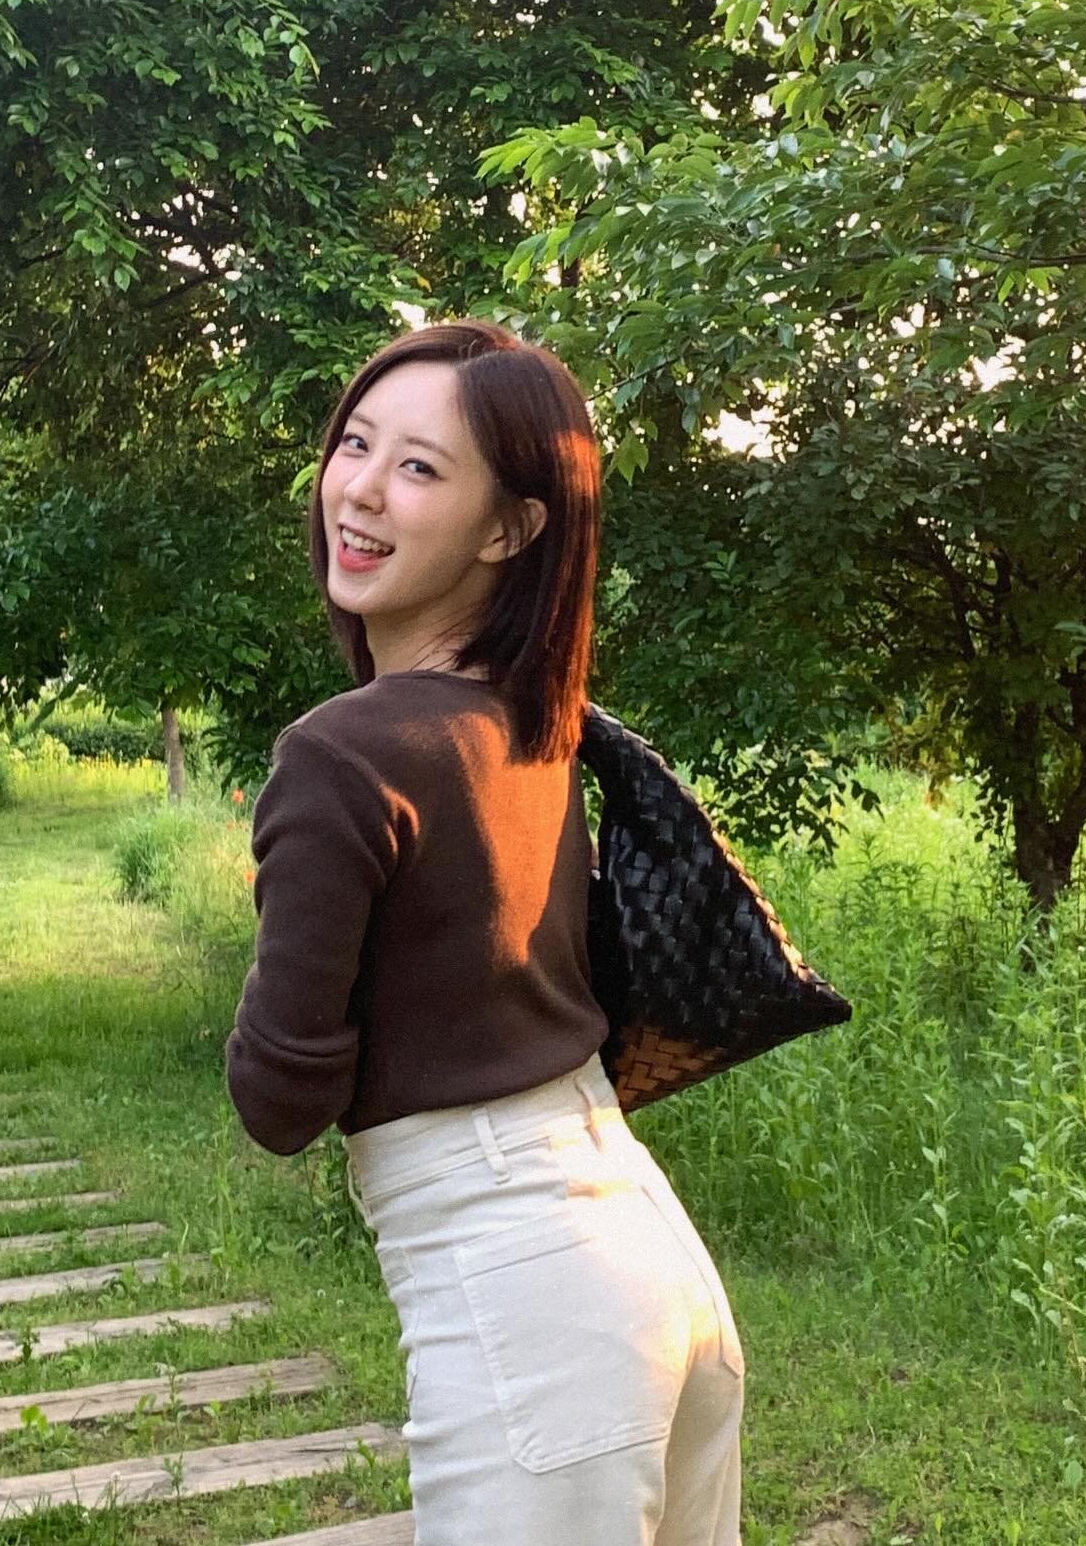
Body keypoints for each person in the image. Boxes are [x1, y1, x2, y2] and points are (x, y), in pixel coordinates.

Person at [225, 320, 745, 1544]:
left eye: (419, 467)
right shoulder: (529, 720)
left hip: (526, 1293)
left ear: (510, 529)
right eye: (357, 444)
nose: (360, 489)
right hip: (644, 1252)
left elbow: (280, 1101)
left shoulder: (342, 754)